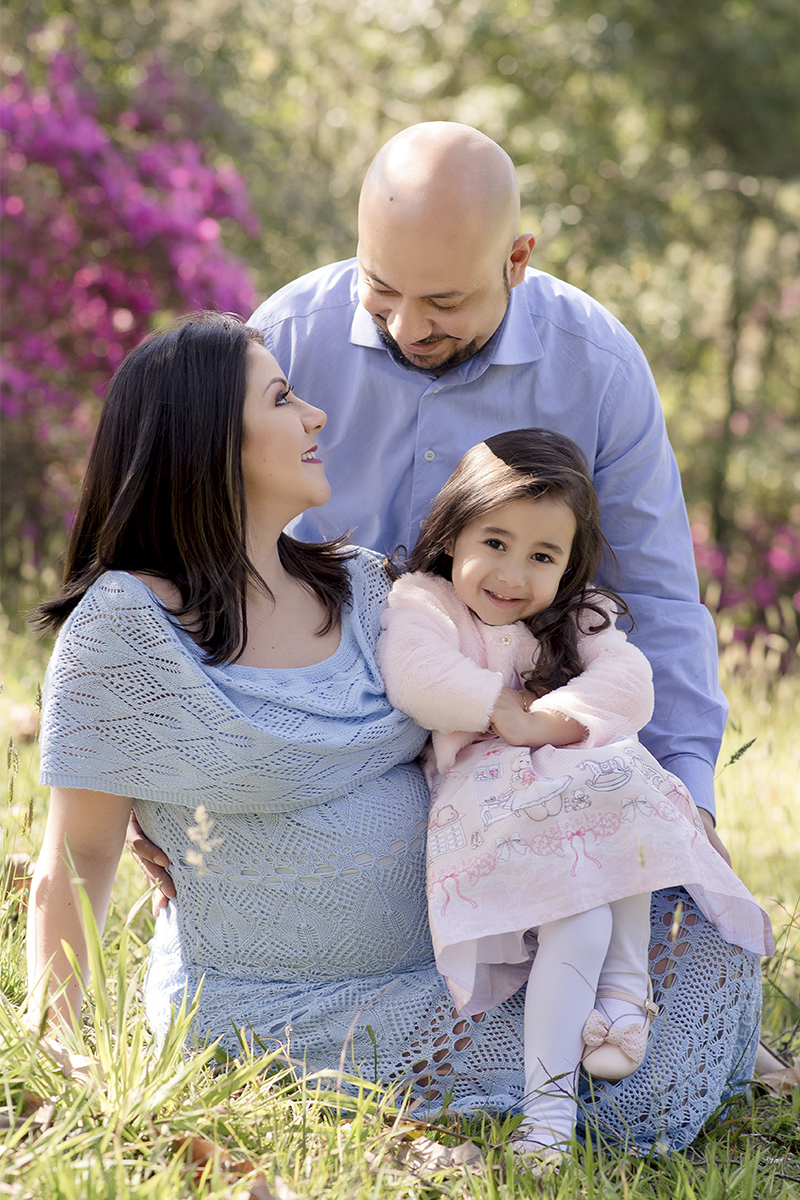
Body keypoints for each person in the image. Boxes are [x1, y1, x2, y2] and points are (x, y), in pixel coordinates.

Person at [375, 428, 772, 1158]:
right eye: (493, 542)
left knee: (613, 782)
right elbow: (416, 674)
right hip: (489, 804)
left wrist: (557, 721)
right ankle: (553, 1107)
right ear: (453, 529)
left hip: (575, 788)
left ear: (568, 565)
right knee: (599, 825)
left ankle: (616, 1002)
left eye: (542, 557)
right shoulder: (426, 600)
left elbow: (628, 681)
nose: (512, 573)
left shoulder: (576, 615)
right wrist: (505, 714)